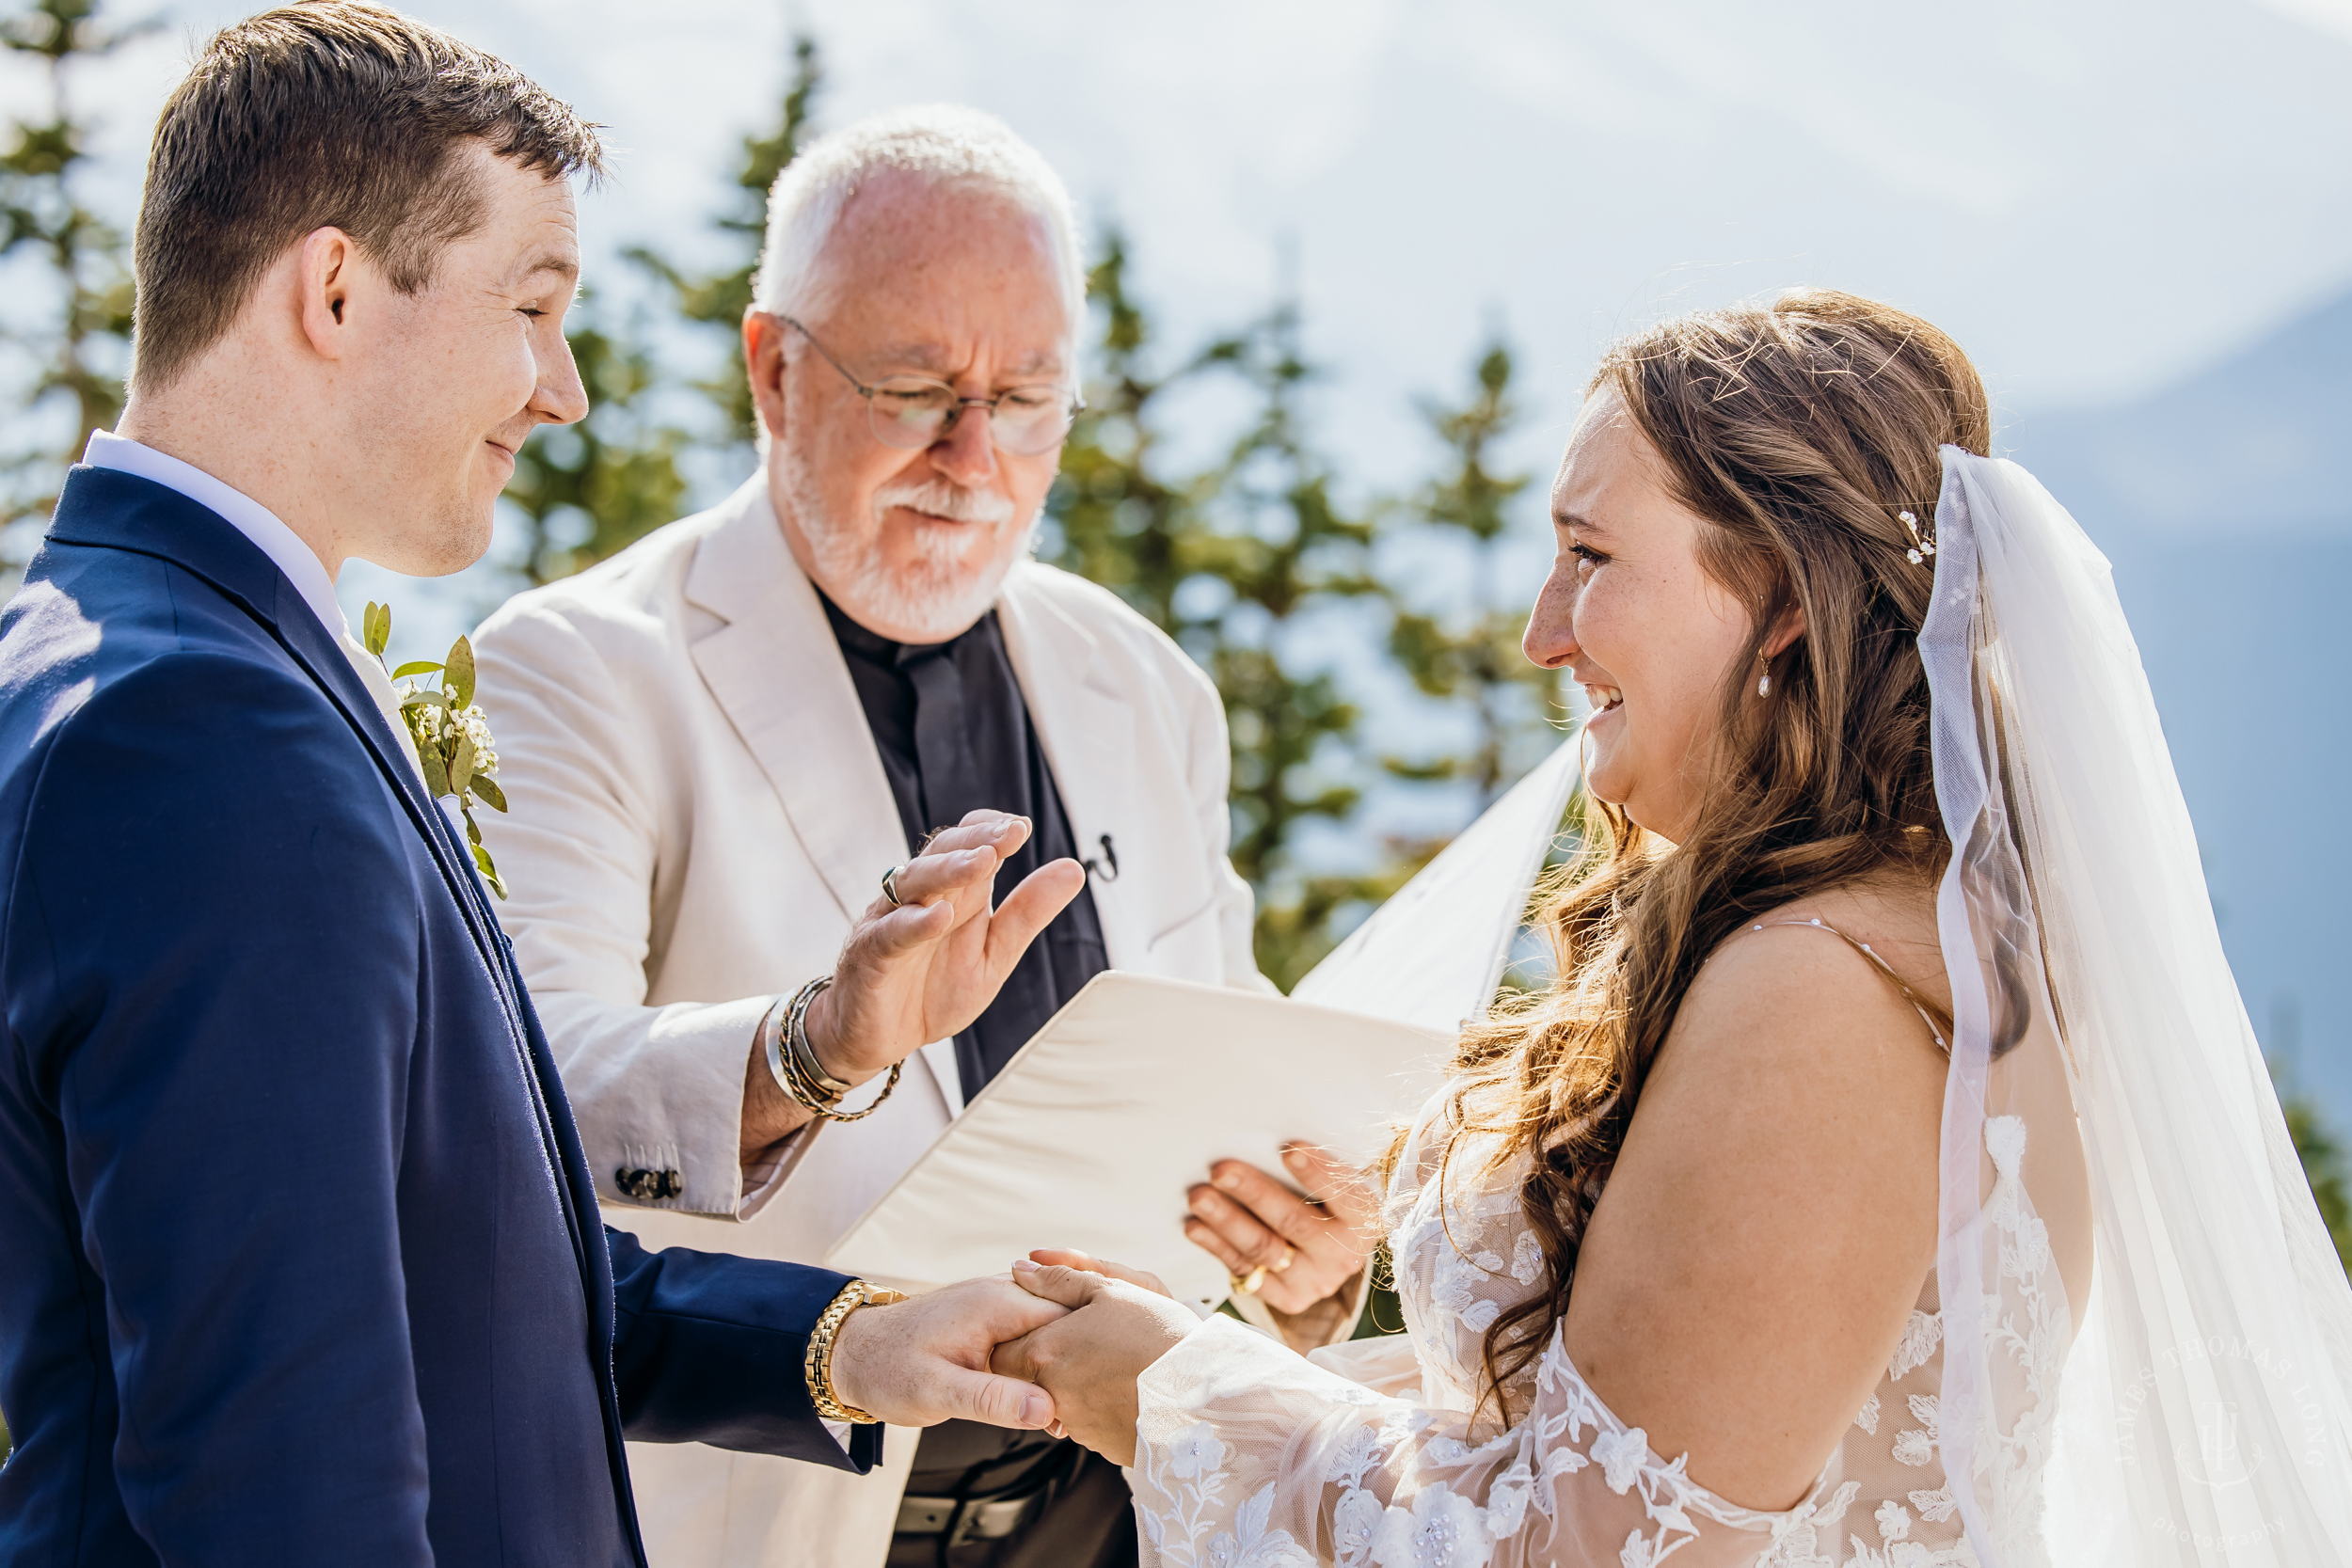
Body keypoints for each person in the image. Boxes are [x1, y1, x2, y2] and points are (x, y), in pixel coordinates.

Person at [991, 291, 2352, 1566]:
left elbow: (1587, 1546)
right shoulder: (1916, 924)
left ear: (1772, 601)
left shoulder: (1820, 991)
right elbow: (1686, 1429)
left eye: (1590, 557)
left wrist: (1174, 1393)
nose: (1539, 633)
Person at [0, 8, 1084, 1562]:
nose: (560, 388)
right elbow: (279, 1466)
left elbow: (458, 1266)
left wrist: (839, 1342)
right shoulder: (205, 735)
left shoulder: (135, 646)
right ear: (332, 290)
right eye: (531, 306)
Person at [466, 104, 1378, 1568]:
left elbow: (1223, 1081)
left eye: (1029, 399)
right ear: (773, 368)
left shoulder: (1148, 685)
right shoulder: (570, 671)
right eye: (917, 390)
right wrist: (811, 1046)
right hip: (769, 1516)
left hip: (1121, 1515)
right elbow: (516, 1109)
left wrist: (1306, 1264)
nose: (978, 455)